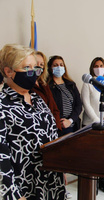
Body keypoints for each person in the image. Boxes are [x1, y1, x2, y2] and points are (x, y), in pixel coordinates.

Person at [0, 44, 65, 200]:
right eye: (27, 67)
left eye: (35, 67)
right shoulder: (2, 105)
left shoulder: (37, 100)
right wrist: (13, 194)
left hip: (50, 182)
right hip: (23, 187)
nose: (34, 73)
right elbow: (1, 156)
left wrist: (61, 170)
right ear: (9, 71)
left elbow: (52, 136)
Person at [81, 57, 104, 193]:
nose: (99, 67)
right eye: (96, 65)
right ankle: (90, 182)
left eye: (101, 65)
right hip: (91, 123)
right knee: (90, 155)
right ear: (92, 68)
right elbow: (86, 103)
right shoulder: (88, 83)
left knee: (103, 155)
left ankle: (102, 181)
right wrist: (96, 119)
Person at [48, 55, 82, 136]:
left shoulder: (71, 84)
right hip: (58, 127)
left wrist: (70, 120)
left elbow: (79, 105)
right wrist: (61, 121)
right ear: (50, 68)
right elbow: (49, 106)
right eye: (55, 65)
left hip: (73, 125)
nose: (59, 67)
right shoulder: (48, 86)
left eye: (61, 65)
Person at [32, 51, 62, 132]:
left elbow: (54, 108)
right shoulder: (27, 87)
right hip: (39, 131)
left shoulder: (44, 85)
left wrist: (56, 128)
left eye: (41, 65)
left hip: (52, 130)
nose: (38, 67)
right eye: (36, 64)